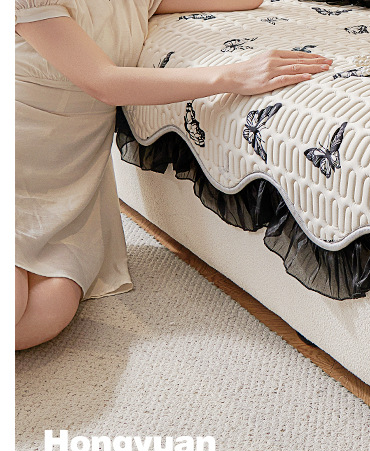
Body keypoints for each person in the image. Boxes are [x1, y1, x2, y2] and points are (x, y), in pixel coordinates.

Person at [15, 0, 332, 350]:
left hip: (69, 178)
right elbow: (104, 82)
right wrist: (232, 75)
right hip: (18, 159)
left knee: (51, 310)